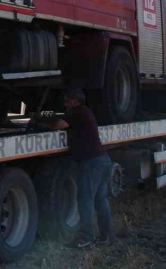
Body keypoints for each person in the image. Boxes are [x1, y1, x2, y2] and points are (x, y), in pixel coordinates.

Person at [32, 88, 115, 248]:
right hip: (102, 160)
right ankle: (106, 236)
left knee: (85, 200)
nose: (65, 103)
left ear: (75, 101)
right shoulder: (85, 112)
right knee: (100, 200)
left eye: (67, 100)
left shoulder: (77, 113)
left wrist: (38, 122)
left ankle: (86, 238)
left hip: (91, 163)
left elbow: (58, 125)